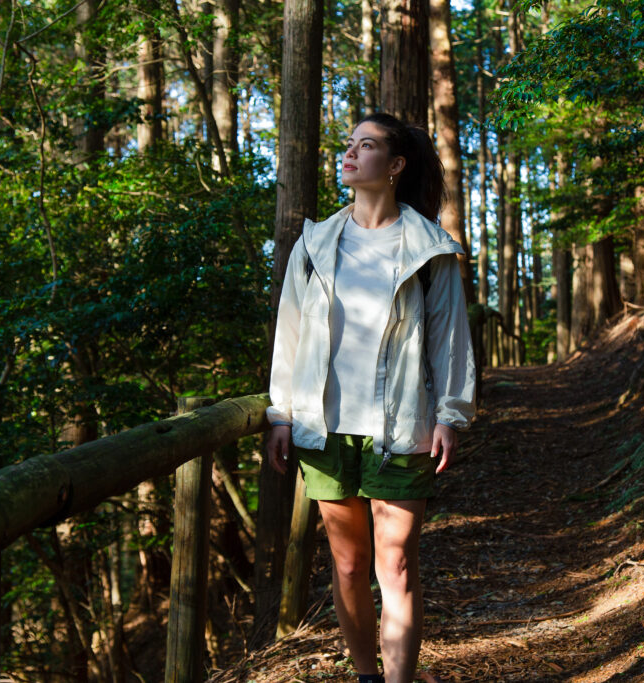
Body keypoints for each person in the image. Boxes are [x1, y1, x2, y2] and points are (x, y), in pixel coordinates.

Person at [265, 112, 476, 683]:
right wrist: (281, 412)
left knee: (397, 564)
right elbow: (290, 332)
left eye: (366, 145)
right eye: (349, 144)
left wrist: (451, 414)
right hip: (325, 427)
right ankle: (366, 675)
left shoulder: (429, 248)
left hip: (402, 427)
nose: (350, 153)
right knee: (349, 563)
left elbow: (450, 338)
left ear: (396, 164)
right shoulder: (315, 244)